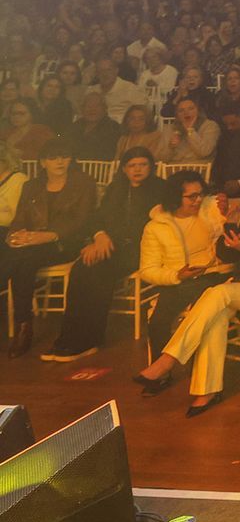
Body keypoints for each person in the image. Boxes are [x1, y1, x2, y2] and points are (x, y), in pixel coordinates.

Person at [133, 181, 240, 414]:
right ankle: (207, 392)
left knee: (217, 292)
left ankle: (167, 360)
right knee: (215, 316)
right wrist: (227, 223)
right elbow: (225, 252)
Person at [40, 147, 163, 363]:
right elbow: (97, 218)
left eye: (143, 164)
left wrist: (107, 242)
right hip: (112, 245)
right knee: (81, 269)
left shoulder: (161, 188)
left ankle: (90, 340)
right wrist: (99, 236)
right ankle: (68, 339)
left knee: (99, 273)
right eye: (132, 165)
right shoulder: (117, 188)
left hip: (144, 248)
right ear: (124, 169)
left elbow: (151, 226)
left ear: (151, 167)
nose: (137, 170)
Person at [3, 138, 98, 356]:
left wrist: (48, 235)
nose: (59, 162)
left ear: (71, 159)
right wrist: (14, 236)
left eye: (64, 157)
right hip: (32, 244)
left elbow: (81, 220)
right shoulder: (31, 186)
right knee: (21, 260)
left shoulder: (84, 182)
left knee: (20, 261)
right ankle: (23, 325)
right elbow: (19, 218)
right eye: (53, 158)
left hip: (67, 242)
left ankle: (23, 327)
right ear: (43, 162)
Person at [136, 170, 228, 362]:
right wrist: (177, 275)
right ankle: (160, 371)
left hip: (214, 274)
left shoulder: (210, 212)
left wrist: (224, 211)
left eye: (201, 194)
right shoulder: (156, 227)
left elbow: (233, 223)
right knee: (158, 321)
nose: (198, 200)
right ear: (176, 196)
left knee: (199, 310)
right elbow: (147, 270)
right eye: (191, 196)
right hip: (180, 281)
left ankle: (186, 368)